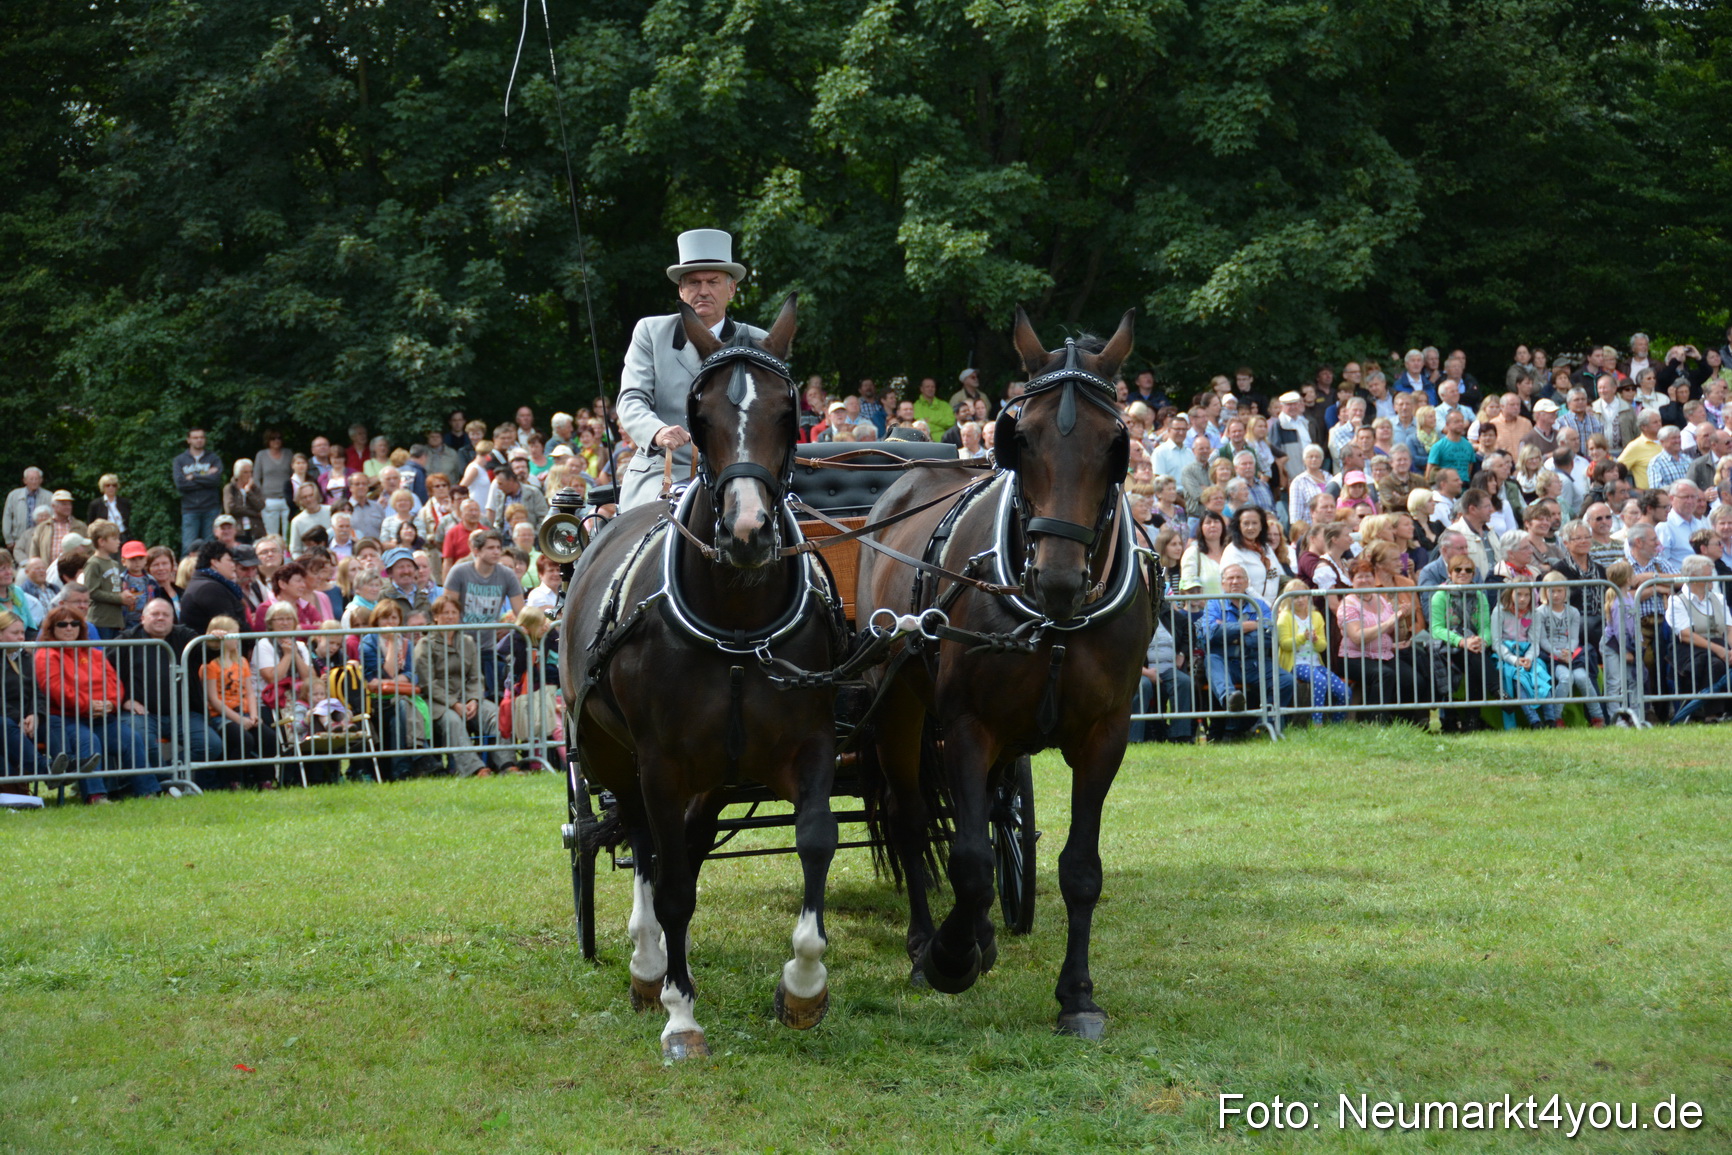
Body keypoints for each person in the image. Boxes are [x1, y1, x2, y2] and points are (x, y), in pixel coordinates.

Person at [615, 229, 766, 511]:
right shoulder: (651, 332)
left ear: (731, 289)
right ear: (681, 290)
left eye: (713, 281)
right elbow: (631, 399)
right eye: (694, 283)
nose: (704, 291)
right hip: (664, 471)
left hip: (739, 474)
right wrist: (658, 432)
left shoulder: (758, 341)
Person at [34, 604, 162, 803]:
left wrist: (110, 704)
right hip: (65, 718)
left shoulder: (94, 653)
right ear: (52, 628)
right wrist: (88, 705)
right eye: (63, 624)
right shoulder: (46, 654)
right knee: (88, 741)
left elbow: (114, 683)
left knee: (131, 738)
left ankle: (148, 791)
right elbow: (55, 689)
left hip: (102, 716)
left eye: (74, 623)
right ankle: (96, 795)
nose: (69, 628)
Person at [114, 597, 225, 770]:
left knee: (212, 745)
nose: (160, 618)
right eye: (155, 614)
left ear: (173, 619)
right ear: (142, 618)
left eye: (166, 615)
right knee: (142, 740)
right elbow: (105, 675)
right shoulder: (126, 640)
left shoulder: (184, 636)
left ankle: (169, 775)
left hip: (183, 714)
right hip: (142, 715)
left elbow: (204, 652)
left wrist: (215, 643)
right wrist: (124, 700)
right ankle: (167, 781)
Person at [1199, 564, 1294, 726]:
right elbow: (1211, 634)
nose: (1235, 581)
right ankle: (1231, 700)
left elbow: (1268, 637)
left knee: (1286, 680)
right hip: (1225, 661)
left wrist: (1231, 635)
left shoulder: (1260, 605)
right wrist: (1248, 626)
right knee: (1211, 660)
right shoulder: (1214, 604)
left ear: (1247, 582)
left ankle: (1266, 724)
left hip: (1254, 662)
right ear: (1223, 583)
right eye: (1230, 578)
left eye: (1239, 577)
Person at [422, 594, 506, 776]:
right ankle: (474, 769)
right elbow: (428, 683)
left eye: (454, 612)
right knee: (452, 720)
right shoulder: (425, 644)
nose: (450, 616)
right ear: (436, 616)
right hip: (438, 702)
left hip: (467, 699)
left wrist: (473, 700)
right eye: (445, 613)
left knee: (494, 714)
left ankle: (507, 764)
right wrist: (454, 704)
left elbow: (476, 677)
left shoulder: (468, 642)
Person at [200, 615, 273, 788]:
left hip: (247, 712)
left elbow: (249, 692)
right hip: (223, 716)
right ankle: (234, 780)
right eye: (234, 634)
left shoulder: (242, 662)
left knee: (268, 737)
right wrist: (239, 719)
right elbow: (213, 699)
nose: (238, 638)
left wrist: (254, 716)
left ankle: (265, 780)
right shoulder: (210, 666)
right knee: (244, 739)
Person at [1665, 555, 1731, 725]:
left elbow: (1730, 630)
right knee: (1714, 663)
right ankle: (1712, 714)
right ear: (1694, 577)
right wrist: (1720, 651)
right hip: (1689, 649)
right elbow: (1686, 635)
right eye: (1708, 574)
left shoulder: (1719, 598)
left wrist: (1730, 650)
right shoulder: (1677, 601)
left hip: (1720, 646)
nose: (1713, 578)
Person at [1533, 571, 1604, 727]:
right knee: (1566, 678)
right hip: (1551, 655)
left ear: (1566, 591)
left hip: (1571, 654)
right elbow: (1542, 639)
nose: (1556, 595)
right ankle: (1556, 718)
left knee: (1582, 678)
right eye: (1552, 591)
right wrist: (1558, 654)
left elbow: (1573, 638)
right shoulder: (1540, 613)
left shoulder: (1573, 612)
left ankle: (1598, 717)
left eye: (1559, 590)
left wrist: (1569, 652)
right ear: (1545, 592)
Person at [1276, 578, 1349, 724]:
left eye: (1303, 595)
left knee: (1344, 691)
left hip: (1315, 663)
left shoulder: (1316, 616)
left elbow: (1322, 646)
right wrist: (1303, 637)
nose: (1300, 600)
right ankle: (1316, 723)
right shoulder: (1285, 617)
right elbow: (1285, 644)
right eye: (1295, 597)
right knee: (1320, 681)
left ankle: (1338, 724)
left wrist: (1315, 641)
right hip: (1295, 664)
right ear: (1287, 599)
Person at [1491, 583, 1557, 728]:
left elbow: (1534, 642)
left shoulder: (1535, 613)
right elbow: (1496, 643)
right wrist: (1515, 660)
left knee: (1541, 675)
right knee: (1518, 678)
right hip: (1506, 656)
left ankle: (1551, 719)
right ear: (1510, 594)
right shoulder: (1499, 611)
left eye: (1527, 595)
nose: (1523, 599)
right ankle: (1534, 721)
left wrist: (1528, 658)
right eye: (1519, 594)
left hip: (1528, 654)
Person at [180, 539, 248, 636]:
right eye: (229, 561)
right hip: (211, 649)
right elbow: (230, 623)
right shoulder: (210, 589)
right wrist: (251, 642)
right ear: (215, 562)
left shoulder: (205, 583)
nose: (233, 566)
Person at [172, 427, 224, 552]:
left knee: (211, 547)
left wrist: (194, 476)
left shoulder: (213, 458)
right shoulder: (180, 460)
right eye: (195, 438)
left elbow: (215, 480)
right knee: (188, 548)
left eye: (201, 437)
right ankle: (187, 571)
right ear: (188, 440)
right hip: (190, 509)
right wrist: (206, 475)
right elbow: (181, 484)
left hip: (211, 507)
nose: (199, 440)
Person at [79, 520, 129, 639]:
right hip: (101, 621)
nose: (119, 542)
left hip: (115, 620)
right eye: (114, 538)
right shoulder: (93, 563)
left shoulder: (115, 564)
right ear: (102, 541)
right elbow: (92, 592)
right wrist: (119, 598)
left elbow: (114, 589)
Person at [27, 490, 86, 562]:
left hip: (73, 570)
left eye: (69, 504)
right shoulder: (43, 527)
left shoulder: (80, 526)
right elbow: (34, 553)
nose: (68, 507)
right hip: (48, 570)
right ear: (53, 506)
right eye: (64, 504)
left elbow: (90, 550)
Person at [3, 467, 50, 552]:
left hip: (42, 540)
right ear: (25, 481)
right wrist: (8, 540)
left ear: (41, 480)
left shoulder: (49, 496)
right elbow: (7, 517)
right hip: (18, 539)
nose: (34, 481)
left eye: (36, 479)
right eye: (31, 479)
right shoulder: (14, 495)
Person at [224, 458, 268, 541]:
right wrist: (253, 513)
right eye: (245, 472)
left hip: (255, 529)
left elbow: (261, 506)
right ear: (238, 473)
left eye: (250, 472)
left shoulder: (254, 488)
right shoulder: (230, 488)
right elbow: (231, 508)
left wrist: (248, 492)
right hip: (238, 530)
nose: (249, 475)